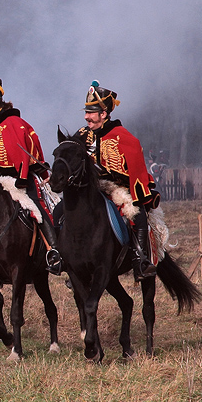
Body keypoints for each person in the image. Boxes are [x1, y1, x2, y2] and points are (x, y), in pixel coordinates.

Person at [0, 75, 61, 274]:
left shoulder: (14, 123)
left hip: (20, 180)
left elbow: (21, 158)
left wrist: (19, 177)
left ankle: (54, 252)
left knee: (36, 210)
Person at [77, 81, 159, 279]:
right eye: (86, 112)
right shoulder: (82, 135)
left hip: (119, 190)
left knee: (136, 214)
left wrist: (112, 177)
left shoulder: (123, 137)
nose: (87, 117)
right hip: (91, 189)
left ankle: (140, 260)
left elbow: (136, 171)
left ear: (103, 114)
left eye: (92, 112)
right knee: (63, 210)